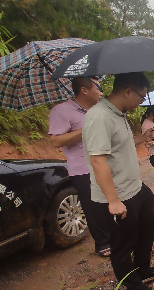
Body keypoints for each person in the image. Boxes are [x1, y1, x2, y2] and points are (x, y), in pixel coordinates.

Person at [82, 72, 154, 290]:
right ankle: (132, 286)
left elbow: (121, 143)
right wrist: (113, 200)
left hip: (134, 187)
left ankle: (143, 269)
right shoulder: (98, 117)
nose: (142, 101)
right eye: (141, 96)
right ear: (128, 91)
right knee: (123, 242)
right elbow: (98, 160)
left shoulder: (118, 114)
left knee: (148, 225)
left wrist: (143, 137)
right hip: (116, 193)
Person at [48, 76, 112, 257]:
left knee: (110, 202)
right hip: (82, 168)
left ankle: (116, 237)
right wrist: (85, 129)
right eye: (98, 88)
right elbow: (55, 140)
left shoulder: (97, 110)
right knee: (94, 208)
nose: (101, 92)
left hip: (104, 164)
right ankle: (103, 243)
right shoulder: (61, 111)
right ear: (84, 90)